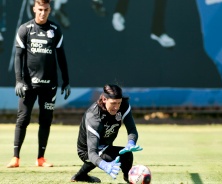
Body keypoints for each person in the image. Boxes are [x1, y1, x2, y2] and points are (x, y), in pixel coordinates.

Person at [7, 0, 71, 168]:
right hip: (28, 85)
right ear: (34, 8)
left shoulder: (55, 30)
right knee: (23, 118)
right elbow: (18, 57)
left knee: (46, 120)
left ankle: (41, 158)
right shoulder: (25, 29)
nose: (43, 13)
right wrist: (19, 81)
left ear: (50, 10)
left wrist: (66, 81)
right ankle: (15, 158)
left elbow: (61, 56)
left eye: (46, 10)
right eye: (40, 9)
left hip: (49, 85)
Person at [71, 84, 142, 183]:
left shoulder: (124, 105)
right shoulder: (94, 116)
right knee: (124, 156)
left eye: (119, 103)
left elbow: (132, 129)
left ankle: (80, 176)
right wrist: (105, 165)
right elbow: (92, 153)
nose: (116, 107)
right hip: (87, 151)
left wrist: (131, 142)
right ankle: (131, 180)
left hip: (105, 145)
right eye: (113, 103)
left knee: (126, 153)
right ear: (104, 99)